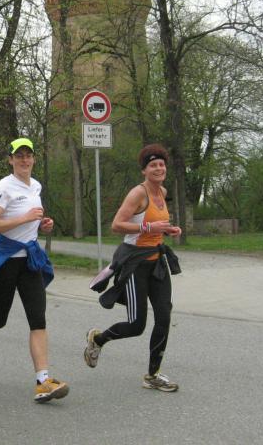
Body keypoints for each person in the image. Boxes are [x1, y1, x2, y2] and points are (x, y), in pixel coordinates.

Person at [0, 137, 69, 403]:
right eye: (19, 156)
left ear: (34, 159)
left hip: (29, 261)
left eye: (28, 155)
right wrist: (25, 218)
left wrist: (42, 225)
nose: (24, 160)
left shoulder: (36, 185)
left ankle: (43, 381)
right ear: (10, 160)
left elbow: (31, 222)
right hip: (5, 261)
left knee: (38, 319)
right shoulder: (4, 187)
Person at [83, 143, 182, 392]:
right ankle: (98, 339)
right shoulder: (138, 194)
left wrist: (168, 230)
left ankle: (153, 375)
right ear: (144, 171)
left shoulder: (162, 192)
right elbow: (117, 225)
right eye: (153, 165)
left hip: (157, 263)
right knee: (137, 325)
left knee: (164, 317)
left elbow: (155, 226)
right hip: (135, 265)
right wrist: (149, 228)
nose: (158, 168)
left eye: (161, 164)